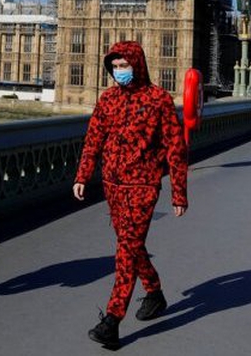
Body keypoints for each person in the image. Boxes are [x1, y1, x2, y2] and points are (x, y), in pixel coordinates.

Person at [72, 41, 188, 349]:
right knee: (132, 246)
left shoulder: (159, 100)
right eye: (115, 66)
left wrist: (179, 193)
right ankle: (155, 293)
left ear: (138, 64)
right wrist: (83, 175)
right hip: (112, 185)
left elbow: (176, 150)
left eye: (124, 65)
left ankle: (112, 320)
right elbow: (93, 139)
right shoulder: (107, 99)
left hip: (144, 186)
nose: (119, 72)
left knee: (125, 251)